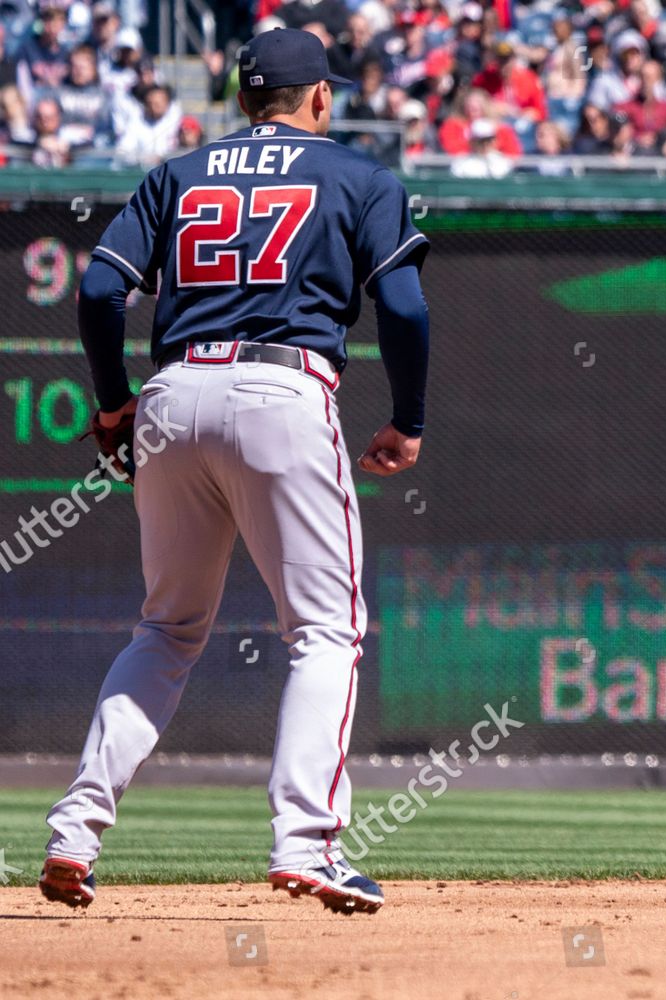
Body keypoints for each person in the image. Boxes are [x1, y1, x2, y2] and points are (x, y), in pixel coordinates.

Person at [39, 27, 430, 917]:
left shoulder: (176, 174)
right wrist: (407, 419)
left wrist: (112, 405)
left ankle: (74, 830)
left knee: (167, 630)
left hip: (175, 392)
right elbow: (403, 304)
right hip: (283, 389)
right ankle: (307, 844)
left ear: (243, 100)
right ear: (321, 97)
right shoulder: (360, 178)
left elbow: (100, 291)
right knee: (325, 631)